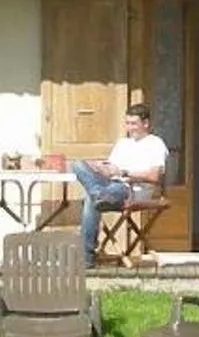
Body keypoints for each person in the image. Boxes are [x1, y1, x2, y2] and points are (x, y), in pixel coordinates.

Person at [72, 105, 169, 260]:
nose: (130, 128)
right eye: (127, 123)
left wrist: (124, 173)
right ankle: (99, 194)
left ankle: (86, 258)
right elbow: (112, 168)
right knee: (78, 165)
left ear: (146, 124)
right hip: (110, 185)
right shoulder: (122, 143)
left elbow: (154, 176)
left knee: (90, 200)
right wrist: (100, 167)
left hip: (131, 190)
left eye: (134, 124)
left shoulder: (155, 144)